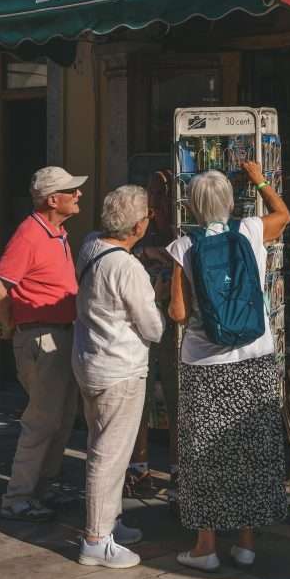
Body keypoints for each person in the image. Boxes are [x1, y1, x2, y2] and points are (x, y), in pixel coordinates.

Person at [167, 161, 290, 572]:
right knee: (249, 450)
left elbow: (179, 312)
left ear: (192, 205)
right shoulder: (252, 230)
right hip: (255, 357)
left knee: (203, 454)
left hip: (204, 364)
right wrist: (259, 180)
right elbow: (285, 216)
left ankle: (206, 546)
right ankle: (246, 543)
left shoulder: (184, 246)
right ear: (229, 202)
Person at [0, 165, 87, 522]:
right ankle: (18, 497)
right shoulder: (30, 234)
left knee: (61, 418)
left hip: (57, 333)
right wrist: (12, 322)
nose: (78, 195)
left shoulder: (56, 233)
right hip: (43, 337)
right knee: (42, 421)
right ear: (52, 199)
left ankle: (42, 489)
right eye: (71, 191)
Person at [72, 185, 167, 569]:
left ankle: (110, 521)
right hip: (120, 368)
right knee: (109, 456)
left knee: (102, 444)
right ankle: (96, 540)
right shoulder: (127, 269)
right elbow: (154, 328)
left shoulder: (91, 245)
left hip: (92, 361)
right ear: (138, 225)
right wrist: (157, 292)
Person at [125, 170, 179, 500]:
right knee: (139, 399)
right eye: (150, 194)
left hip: (173, 326)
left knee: (176, 398)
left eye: (160, 194)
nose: (154, 203)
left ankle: (176, 470)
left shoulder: (178, 233)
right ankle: (139, 467)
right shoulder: (142, 235)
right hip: (142, 330)